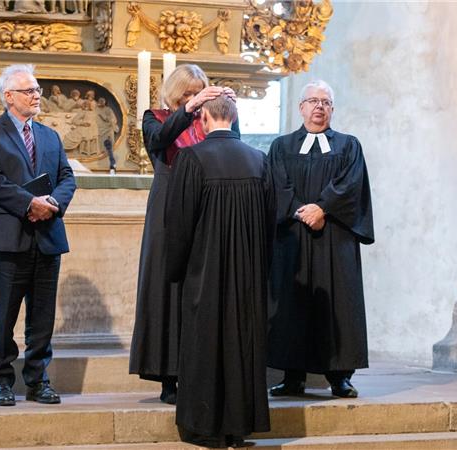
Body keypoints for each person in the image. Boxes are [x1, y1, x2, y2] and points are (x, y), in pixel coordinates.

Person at [166, 94, 273, 448]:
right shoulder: (259, 160)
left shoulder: (191, 158)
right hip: (248, 277)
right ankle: (238, 427)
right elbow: (270, 223)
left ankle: (204, 428)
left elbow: (180, 223)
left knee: (205, 344)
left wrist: (175, 270)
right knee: (241, 344)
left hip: (204, 272)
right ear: (234, 117)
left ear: (205, 119)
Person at [128, 64, 236, 405]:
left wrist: (227, 113)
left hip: (207, 207)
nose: (193, 99)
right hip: (168, 211)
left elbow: (230, 149)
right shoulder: (155, 117)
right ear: (175, 94)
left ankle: (201, 369)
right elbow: (158, 143)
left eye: (198, 93)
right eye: (187, 94)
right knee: (166, 289)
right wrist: (189, 109)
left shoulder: (210, 121)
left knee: (202, 289)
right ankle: (168, 377)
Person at [0, 63, 77, 407]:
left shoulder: (50, 135)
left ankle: (37, 380)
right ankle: (1, 380)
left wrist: (51, 204)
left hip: (47, 235)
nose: (37, 96)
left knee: (42, 316)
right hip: (8, 237)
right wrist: (29, 202)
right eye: (29, 90)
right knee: (4, 314)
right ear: (9, 96)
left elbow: (67, 178)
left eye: (38, 90)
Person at [267, 80, 374, 399]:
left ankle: (339, 376)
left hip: (334, 239)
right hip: (294, 240)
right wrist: (302, 210)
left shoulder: (348, 145)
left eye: (326, 102)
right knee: (292, 303)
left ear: (332, 109)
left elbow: (352, 185)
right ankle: (292, 376)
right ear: (301, 107)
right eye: (312, 101)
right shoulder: (282, 147)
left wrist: (323, 208)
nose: (319, 107)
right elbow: (276, 184)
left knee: (337, 303)